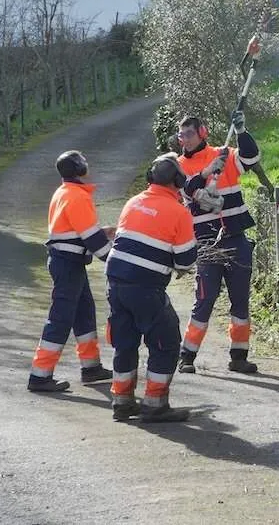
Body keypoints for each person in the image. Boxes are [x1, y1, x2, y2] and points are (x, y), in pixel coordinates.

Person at [175, 105, 274, 375]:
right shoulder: (178, 166)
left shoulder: (226, 155)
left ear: (202, 134)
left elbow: (252, 159)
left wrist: (241, 131)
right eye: (180, 135)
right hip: (206, 244)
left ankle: (239, 357)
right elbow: (186, 189)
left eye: (188, 135)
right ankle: (187, 357)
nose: (182, 140)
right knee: (204, 302)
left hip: (235, 238)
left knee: (240, 300)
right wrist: (207, 172)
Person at [103, 153, 198, 423]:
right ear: (178, 181)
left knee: (125, 342)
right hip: (146, 286)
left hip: (115, 282)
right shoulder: (179, 212)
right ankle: (154, 404)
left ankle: (121, 402)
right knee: (166, 343)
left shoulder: (133, 202)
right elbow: (186, 260)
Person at [28, 150, 115, 393]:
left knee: (84, 313)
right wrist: (115, 260)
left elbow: (77, 230)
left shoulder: (64, 192)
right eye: (84, 161)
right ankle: (40, 375)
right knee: (60, 319)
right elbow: (90, 238)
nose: (88, 164)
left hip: (68, 263)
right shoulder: (77, 196)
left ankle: (91, 368)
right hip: (68, 264)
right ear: (79, 168)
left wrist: (102, 231)